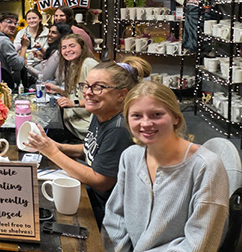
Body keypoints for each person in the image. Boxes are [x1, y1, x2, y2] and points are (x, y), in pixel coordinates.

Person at [73, 82, 230, 252]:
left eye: (157, 114)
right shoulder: (132, 156)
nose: (146, 123)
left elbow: (197, 246)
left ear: (175, 118)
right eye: (137, 116)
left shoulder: (205, 167)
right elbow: (116, 217)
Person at [25, 57, 150, 224]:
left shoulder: (119, 129)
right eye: (86, 86)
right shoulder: (101, 113)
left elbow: (100, 181)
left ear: (122, 94)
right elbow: (90, 149)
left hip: (106, 213)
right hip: (92, 196)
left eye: (99, 87)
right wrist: (59, 147)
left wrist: (52, 152)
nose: (88, 92)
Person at [46, 34, 99, 141]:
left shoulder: (89, 65)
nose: (68, 50)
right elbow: (75, 94)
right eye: (64, 47)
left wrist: (73, 104)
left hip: (85, 125)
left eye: (72, 46)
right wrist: (58, 90)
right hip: (72, 120)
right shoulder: (72, 65)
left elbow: (99, 98)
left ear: (82, 47)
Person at [0, 12, 23, 87]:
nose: (13, 25)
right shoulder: (4, 40)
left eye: (15, 23)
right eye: (9, 22)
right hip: (4, 84)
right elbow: (17, 66)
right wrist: (24, 47)